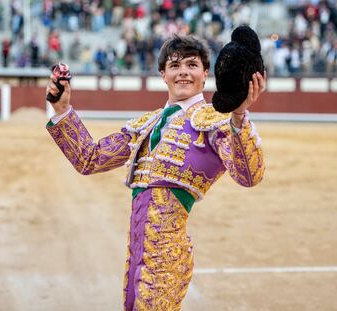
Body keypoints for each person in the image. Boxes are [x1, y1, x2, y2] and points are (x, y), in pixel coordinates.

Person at [46, 34, 265, 310]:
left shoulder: (216, 121)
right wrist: (62, 109)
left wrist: (239, 117)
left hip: (167, 256)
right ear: (163, 74)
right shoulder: (146, 125)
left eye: (192, 65)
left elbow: (249, 175)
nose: (183, 71)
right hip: (137, 254)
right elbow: (89, 158)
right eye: (174, 66)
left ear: (205, 73)